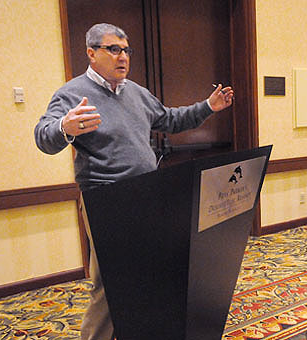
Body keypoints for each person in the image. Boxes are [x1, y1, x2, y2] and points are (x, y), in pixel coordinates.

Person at [34, 23, 234, 340]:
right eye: (113, 49)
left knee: (147, 275)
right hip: (107, 201)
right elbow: (43, 137)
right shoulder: (72, 94)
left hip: (148, 196)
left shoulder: (136, 93)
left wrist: (208, 107)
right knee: (110, 284)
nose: (123, 56)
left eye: (126, 50)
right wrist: (65, 126)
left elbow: (169, 119)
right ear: (91, 53)